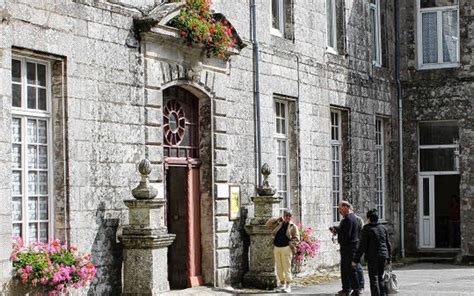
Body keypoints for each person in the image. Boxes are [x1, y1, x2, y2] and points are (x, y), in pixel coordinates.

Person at [352, 209, 391, 296]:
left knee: (374, 279)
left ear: (369, 218)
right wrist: (389, 258)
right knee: (380, 277)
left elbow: (362, 246)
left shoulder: (367, 229)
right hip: (383, 255)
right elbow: (388, 243)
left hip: (373, 257)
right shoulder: (383, 228)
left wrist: (356, 259)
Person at [329, 201, 361, 296]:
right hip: (350, 247)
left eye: (340, 208)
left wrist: (338, 234)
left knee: (350, 270)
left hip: (348, 248)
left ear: (346, 207)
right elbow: (346, 231)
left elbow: (346, 235)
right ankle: (347, 289)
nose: (339, 211)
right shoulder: (352, 218)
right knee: (347, 269)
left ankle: (354, 290)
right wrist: (337, 229)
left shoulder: (348, 219)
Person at [266, 210, 300, 293]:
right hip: (277, 247)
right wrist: (277, 219)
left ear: (291, 217)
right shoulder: (279, 224)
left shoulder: (293, 226)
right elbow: (268, 224)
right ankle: (282, 284)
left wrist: (291, 243)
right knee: (279, 268)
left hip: (286, 248)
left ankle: (288, 286)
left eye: (289, 216)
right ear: (283, 216)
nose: (288, 217)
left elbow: (297, 238)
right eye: (286, 215)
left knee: (286, 267)